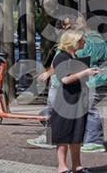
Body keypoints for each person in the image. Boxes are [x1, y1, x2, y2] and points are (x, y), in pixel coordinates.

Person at [43, 30, 103, 173]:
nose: (84, 42)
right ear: (73, 42)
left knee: (77, 132)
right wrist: (85, 72)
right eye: (81, 40)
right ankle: (62, 166)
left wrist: (90, 73)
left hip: (78, 98)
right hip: (66, 99)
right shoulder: (61, 57)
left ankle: (77, 165)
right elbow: (65, 79)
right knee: (64, 132)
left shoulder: (74, 56)